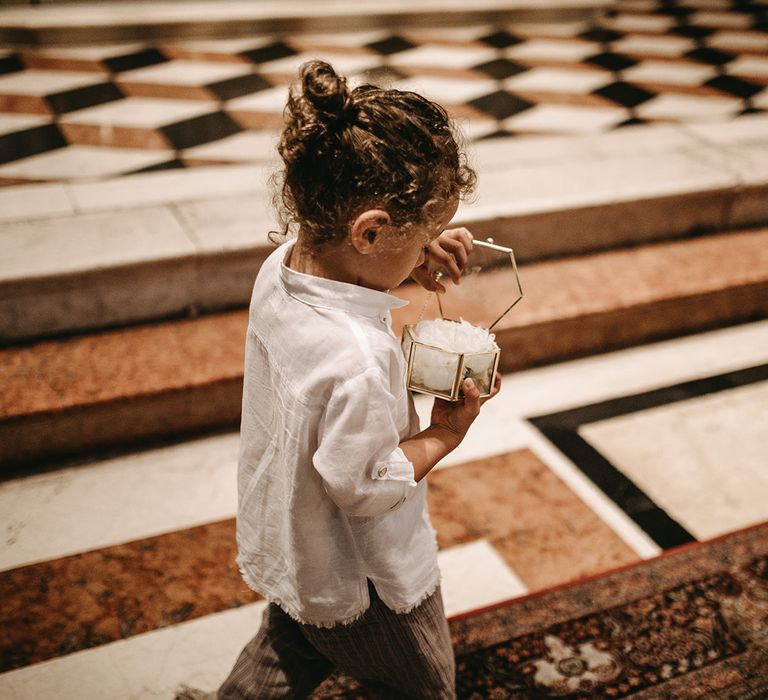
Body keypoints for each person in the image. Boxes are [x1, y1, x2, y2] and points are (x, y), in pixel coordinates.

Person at [179, 59, 501, 700]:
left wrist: (409, 256)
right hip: (367, 575)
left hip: (298, 535)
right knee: (424, 684)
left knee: (291, 643)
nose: (431, 249)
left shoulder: (281, 268)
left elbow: (353, 272)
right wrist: (444, 433)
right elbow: (362, 483)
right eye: (426, 236)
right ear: (372, 230)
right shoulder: (355, 359)